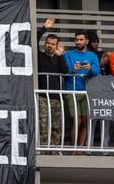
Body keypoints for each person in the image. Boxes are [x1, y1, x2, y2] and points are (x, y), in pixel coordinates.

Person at [63, 32, 100, 150]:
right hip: (71, 91)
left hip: (87, 91)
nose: (78, 42)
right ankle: (74, 149)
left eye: (81, 40)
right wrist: (73, 69)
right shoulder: (68, 54)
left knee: (85, 122)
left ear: (86, 41)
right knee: (76, 121)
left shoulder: (92, 55)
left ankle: (81, 148)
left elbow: (97, 72)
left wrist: (90, 69)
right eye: (77, 40)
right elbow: (65, 71)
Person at [37, 17, 67, 151]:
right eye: (48, 43)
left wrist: (60, 56)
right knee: (43, 125)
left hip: (57, 96)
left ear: (56, 46)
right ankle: (43, 150)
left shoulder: (59, 58)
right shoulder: (40, 56)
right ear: (45, 44)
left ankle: (54, 150)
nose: (49, 45)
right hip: (43, 96)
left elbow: (65, 71)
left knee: (56, 126)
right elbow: (33, 40)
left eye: (53, 44)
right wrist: (44, 28)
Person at [87, 29, 112, 149]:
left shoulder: (102, 54)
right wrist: (99, 62)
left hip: (105, 93)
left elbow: (109, 72)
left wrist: (105, 62)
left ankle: (105, 147)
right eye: (93, 42)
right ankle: (89, 147)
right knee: (92, 120)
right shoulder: (89, 55)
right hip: (92, 92)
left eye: (97, 42)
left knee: (105, 120)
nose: (96, 44)